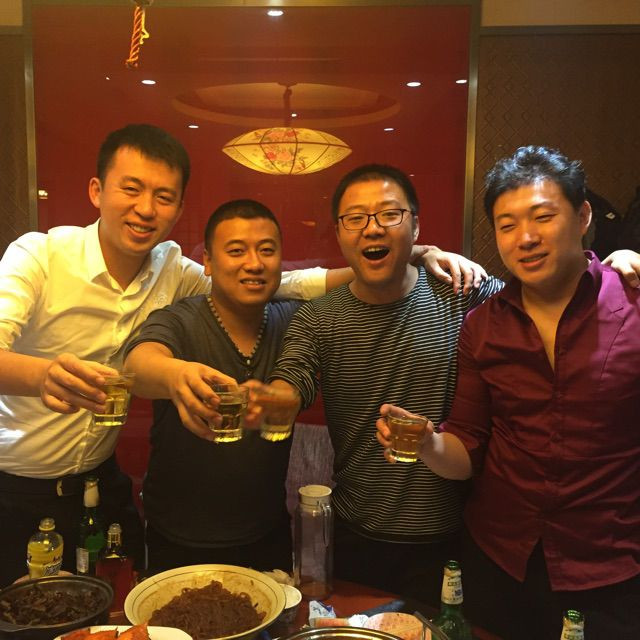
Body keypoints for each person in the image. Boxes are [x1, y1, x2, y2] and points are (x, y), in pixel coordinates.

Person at [0, 123, 487, 586]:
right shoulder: (41, 256)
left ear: (178, 207)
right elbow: (138, 363)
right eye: (131, 189)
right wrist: (160, 374)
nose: (146, 208)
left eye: (163, 196)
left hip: (122, 491)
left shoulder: (182, 273)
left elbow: (291, 282)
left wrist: (413, 254)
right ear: (96, 191)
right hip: (21, 483)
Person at [376, 146, 640, 638]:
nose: (526, 238)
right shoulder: (483, 325)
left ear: (583, 216)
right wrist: (428, 442)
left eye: (543, 217)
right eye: (507, 225)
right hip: (500, 561)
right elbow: (467, 446)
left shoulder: (633, 302)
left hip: (611, 569)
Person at [265, 164, 504, 607]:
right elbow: (293, 376)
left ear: (416, 226)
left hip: (453, 540)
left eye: (389, 214)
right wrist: (270, 398)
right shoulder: (319, 318)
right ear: (339, 234)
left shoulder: (462, 293)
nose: (372, 228)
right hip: (354, 536)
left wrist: (619, 265)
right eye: (355, 218)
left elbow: (541, 300)